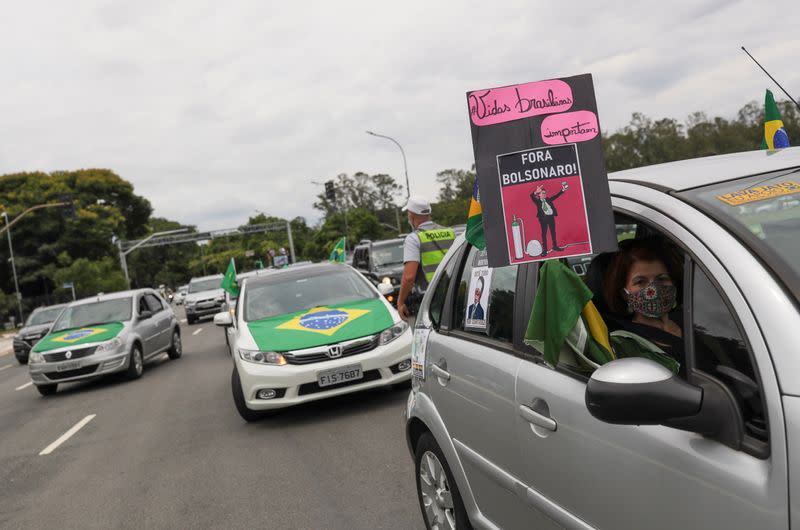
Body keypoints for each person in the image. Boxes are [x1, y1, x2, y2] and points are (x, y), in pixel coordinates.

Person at [602, 236, 684, 364]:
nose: (653, 290)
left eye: (662, 279)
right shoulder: (624, 343)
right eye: (640, 282)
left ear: (673, 283)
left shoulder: (693, 322)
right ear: (624, 294)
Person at [397, 197, 456, 322]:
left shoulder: (413, 239)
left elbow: (409, 277)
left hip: (430, 298)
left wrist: (401, 301)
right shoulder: (450, 232)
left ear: (411, 215)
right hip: (453, 291)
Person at [530, 181, 569, 257]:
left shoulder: (548, 199)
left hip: (551, 217)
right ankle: (545, 250)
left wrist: (563, 190)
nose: (544, 194)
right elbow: (531, 196)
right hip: (543, 219)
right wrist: (535, 192)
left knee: (553, 232)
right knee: (544, 234)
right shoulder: (537, 201)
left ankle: (555, 246)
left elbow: (556, 196)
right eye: (542, 193)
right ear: (539, 195)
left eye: (545, 193)